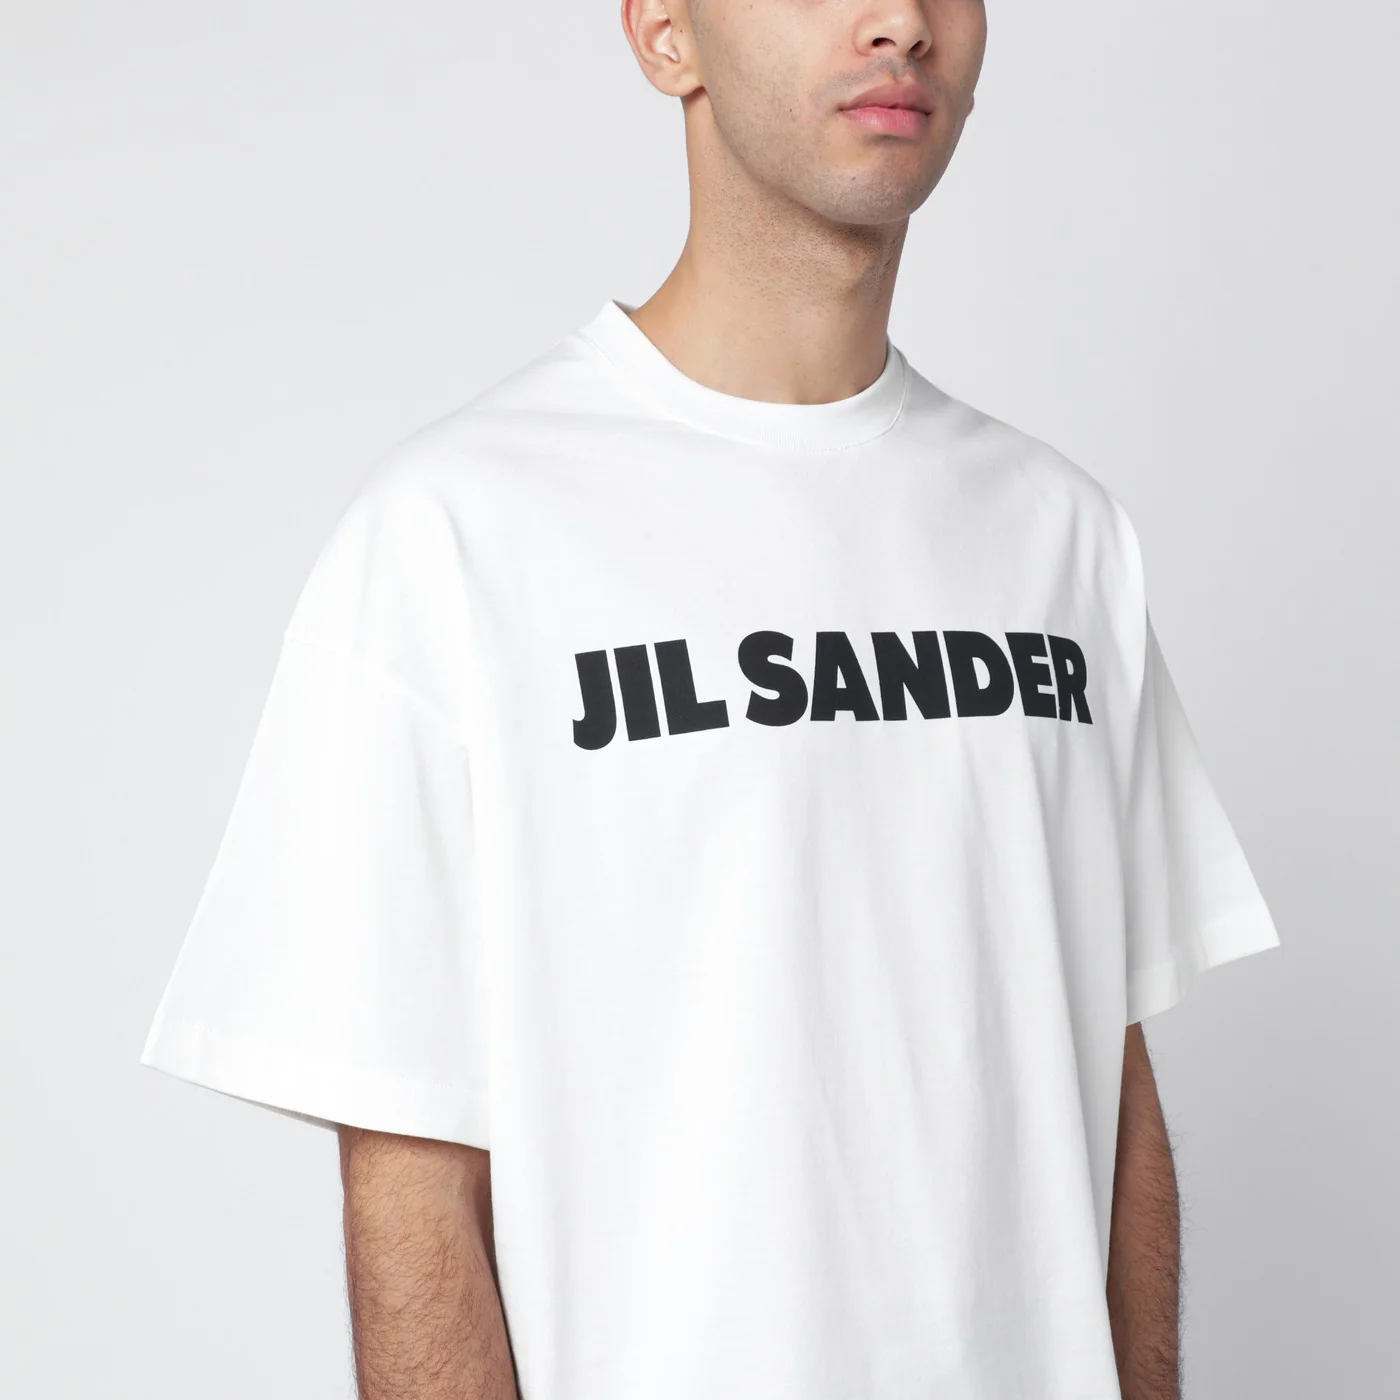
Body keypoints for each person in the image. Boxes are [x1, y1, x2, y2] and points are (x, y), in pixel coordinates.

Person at [139, 2, 1282, 1397]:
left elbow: (1111, 1078)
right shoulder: (455, 537)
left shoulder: (1064, 537)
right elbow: (410, 1173)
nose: (901, 22)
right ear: (665, 36)